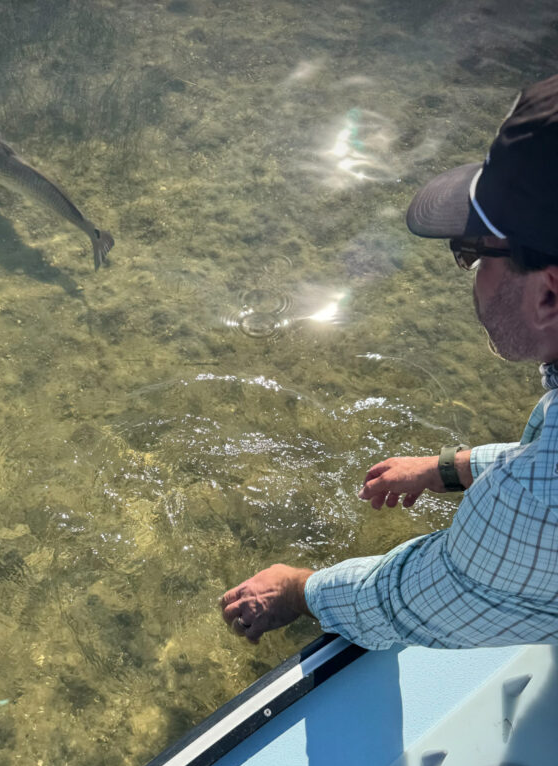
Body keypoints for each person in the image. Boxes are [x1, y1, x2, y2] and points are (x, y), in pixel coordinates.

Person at [220, 73, 558, 651]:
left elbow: (422, 602)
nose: (472, 272)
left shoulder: (529, 501)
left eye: (473, 252)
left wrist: (299, 589)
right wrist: (447, 468)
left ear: (549, 294)